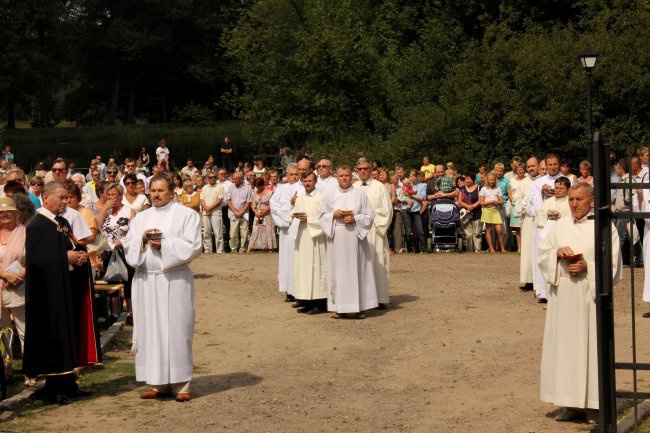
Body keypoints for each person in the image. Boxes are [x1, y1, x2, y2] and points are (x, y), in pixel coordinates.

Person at [538, 183, 621, 423]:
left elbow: (614, 264)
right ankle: (568, 402)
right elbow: (543, 252)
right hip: (563, 296)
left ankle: (594, 404)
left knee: (589, 348)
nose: (574, 204)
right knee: (565, 348)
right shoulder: (559, 225)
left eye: (579, 200)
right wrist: (556, 253)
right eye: (571, 199)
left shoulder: (604, 228)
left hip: (588, 296)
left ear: (591, 201)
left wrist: (589, 267)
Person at [122, 174, 202, 402]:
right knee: (151, 331)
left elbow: (194, 246)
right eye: (152, 190)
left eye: (160, 190)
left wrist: (164, 243)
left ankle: (181, 383)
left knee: (177, 330)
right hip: (147, 280)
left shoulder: (187, 215)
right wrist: (142, 240)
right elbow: (129, 243)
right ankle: (157, 382)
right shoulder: (141, 217)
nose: (155, 195)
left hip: (174, 279)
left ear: (171, 191)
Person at [23, 182, 101, 405]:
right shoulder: (37, 225)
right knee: (53, 336)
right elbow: (36, 260)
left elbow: (72, 245)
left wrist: (80, 256)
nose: (65, 202)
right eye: (61, 198)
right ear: (45, 197)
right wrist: (65, 258)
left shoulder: (62, 222)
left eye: (67, 198)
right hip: (47, 294)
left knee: (68, 334)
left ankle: (69, 383)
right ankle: (54, 387)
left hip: (65, 286)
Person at [319, 166, 377, 319]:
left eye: (346, 175)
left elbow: (369, 215)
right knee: (338, 272)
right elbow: (321, 215)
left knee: (357, 271)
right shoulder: (329, 195)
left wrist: (355, 219)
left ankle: (359, 308)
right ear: (336, 177)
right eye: (341, 176)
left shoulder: (360, 194)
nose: (344, 178)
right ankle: (340, 307)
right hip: (337, 236)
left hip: (355, 237)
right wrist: (333, 214)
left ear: (351, 177)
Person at [353, 157, 392, 308]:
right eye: (360, 169)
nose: (363, 171)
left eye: (366, 168)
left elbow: (386, 210)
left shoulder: (379, 187)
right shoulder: (353, 187)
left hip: (374, 231)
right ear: (356, 170)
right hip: (356, 231)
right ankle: (361, 298)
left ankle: (380, 298)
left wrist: (371, 219)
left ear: (371, 170)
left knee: (377, 262)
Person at [0, 198, 30, 385]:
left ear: (16, 213)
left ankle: (30, 369)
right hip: (1, 286)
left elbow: (33, 256)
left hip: (20, 285)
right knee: (2, 331)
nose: (4, 215)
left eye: (8, 211)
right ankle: (5, 368)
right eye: (1, 212)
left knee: (25, 329)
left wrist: (23, 273)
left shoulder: (25, 232)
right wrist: (4, 275)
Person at [97, 184, 136, 324]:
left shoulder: (129, 211)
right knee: (112, 281)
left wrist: (122, 242)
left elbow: (134, 231)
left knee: (128, 281)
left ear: (120, 196)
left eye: (114, 194)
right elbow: (97, 227)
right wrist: (104, 209)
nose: (111, 197)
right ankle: (113, 313)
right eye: (109, 194)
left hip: (124, 250)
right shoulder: (105, 211)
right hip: (108, 250)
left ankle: (131, 313)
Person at [288, 171, 327, 314]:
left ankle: (319, 302)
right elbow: (292, 213)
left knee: (316, 269)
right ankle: (306, 301)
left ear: (315, 182)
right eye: (305, 181)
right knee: (303, 269)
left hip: (315, 238)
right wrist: (294, 217)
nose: (307, 183)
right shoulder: (300, 198)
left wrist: (309, 220)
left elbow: (325, 219)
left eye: (310, 181)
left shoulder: (320, 198)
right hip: (301, 237)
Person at [270, 163, 305, 300]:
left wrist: (290, 212)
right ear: (287, 175)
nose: (295, 177)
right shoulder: (281, 188)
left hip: (298, 228)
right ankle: (288, 290)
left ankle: (298, 290)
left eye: (297, 174)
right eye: (292, 174)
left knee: (297, 258)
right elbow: (273, 205)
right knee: (286, 260)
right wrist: (285, 217)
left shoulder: (303, 188)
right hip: (286, 230)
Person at [518, 157, 540, 291]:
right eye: (529, 166)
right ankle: (528, 279)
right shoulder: (523, 183)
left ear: (538, 166)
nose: (531, 168)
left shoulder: (542, 180)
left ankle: (539, 280)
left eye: (533, 166)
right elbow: (519, 201)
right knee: (527, 248)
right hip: (527, 219)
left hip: (540, 218)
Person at [225, 171, 252, 253]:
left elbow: (249, 202)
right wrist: (235, 211)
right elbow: (228, 200)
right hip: (233, 214)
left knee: (244, 233)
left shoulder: (248, 187)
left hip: (244, 214)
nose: (233, 180)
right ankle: (233, 249)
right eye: (233, 178)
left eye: (235, 179)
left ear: (241, 179)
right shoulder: (231, 187)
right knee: (233, 234)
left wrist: (242, 212)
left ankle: (243, 249)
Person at [479, 172, 505, 253]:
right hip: (487, 211)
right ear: (487, 180)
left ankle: (502, 248)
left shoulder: (498, 189)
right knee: (488, 229)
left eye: (493, 180)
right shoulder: (483, 189)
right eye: (490, 180)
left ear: (495, 180)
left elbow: (501, 201)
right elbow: (481, 203)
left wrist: (496, 202)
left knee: (499, 230)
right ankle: (491, 248)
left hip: (496, 211)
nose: (491, 181)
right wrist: (493, 201)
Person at [248, 177, 276, 252]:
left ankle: (269, 248)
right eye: (256, 186)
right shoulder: (255, 192)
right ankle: (253, 246)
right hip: (257, 214)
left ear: (263, 185)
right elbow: (253, 204)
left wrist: (262, 212)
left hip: (267, 214)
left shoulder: (270, 192)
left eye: (258, 186)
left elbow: (271, 205)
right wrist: (256, 212)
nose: (257, 188)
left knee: (267, 230)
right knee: (256, 229)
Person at [200, 171, 225, 253]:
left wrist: (209, 208)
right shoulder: (204, 188)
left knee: (218, 233)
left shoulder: (220, 187)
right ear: (207, 178)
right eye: (210, 177)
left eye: (214, 177)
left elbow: (219, 200)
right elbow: (202, 200)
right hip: (205, 213)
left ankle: (219, 250)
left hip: (216, 213)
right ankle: (208, 250)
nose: (212, 178)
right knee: (206, 233)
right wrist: (206, 208)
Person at [457, 172, 482, 252]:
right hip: (465, 214)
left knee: (477, 233)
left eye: (468, 179)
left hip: (477, 213)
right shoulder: (462, 188)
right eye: (466, 179)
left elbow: (480, 200)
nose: (466, 180)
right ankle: (469, 251)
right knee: (468, 234)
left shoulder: (479, 188)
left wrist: (472, 207)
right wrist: (468, 207)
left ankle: (478, 250)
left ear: (473, 179)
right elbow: (459, 201)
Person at [508, 164, 527, 252]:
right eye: (518, 170)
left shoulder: (528, 179)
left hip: (525, 205)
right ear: (516, 171)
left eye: (521, 169)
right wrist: (513, 202)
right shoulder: (512, 180)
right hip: (514, 205)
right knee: (517, 228)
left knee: (526, 227)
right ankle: (519, 247)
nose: (520, 171)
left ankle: (526, 247)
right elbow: (509, 192)